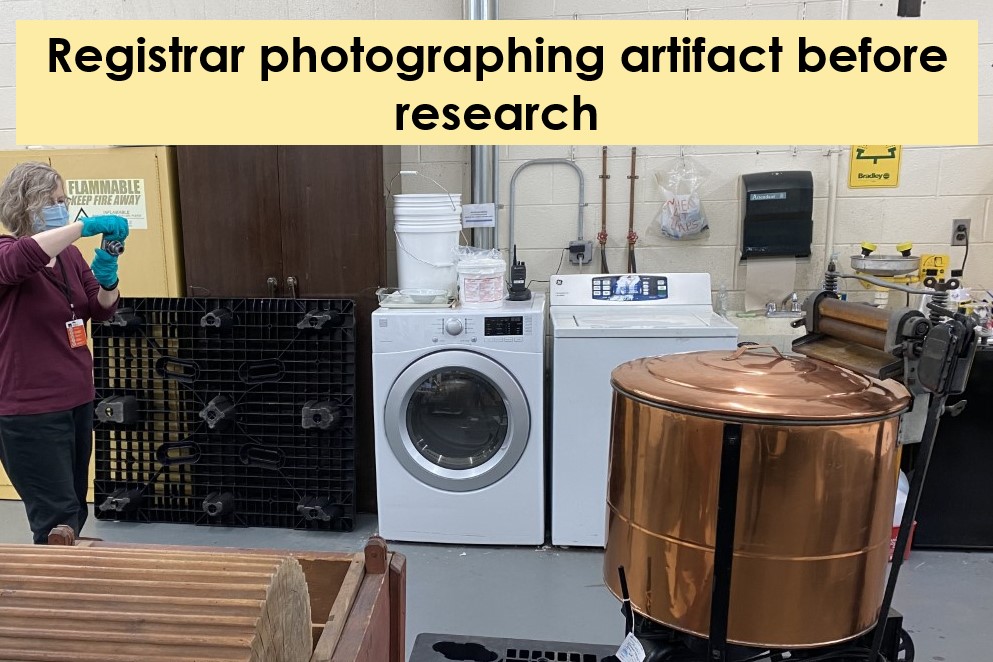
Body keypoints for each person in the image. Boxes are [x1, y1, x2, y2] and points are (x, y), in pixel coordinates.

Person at [0, 161, 129, 545]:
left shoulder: (69, 257)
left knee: (74, 507)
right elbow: (23, 258)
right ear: (28, 205)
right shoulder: (7, 252)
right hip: (29, 410)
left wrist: (108, 271)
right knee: (55, 513)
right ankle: (55, 590)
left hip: (75, 399)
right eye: (54, 201)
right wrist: (84, 227)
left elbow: (100, 309)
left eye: (65, 199)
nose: (64, 206)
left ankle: (70, 572)